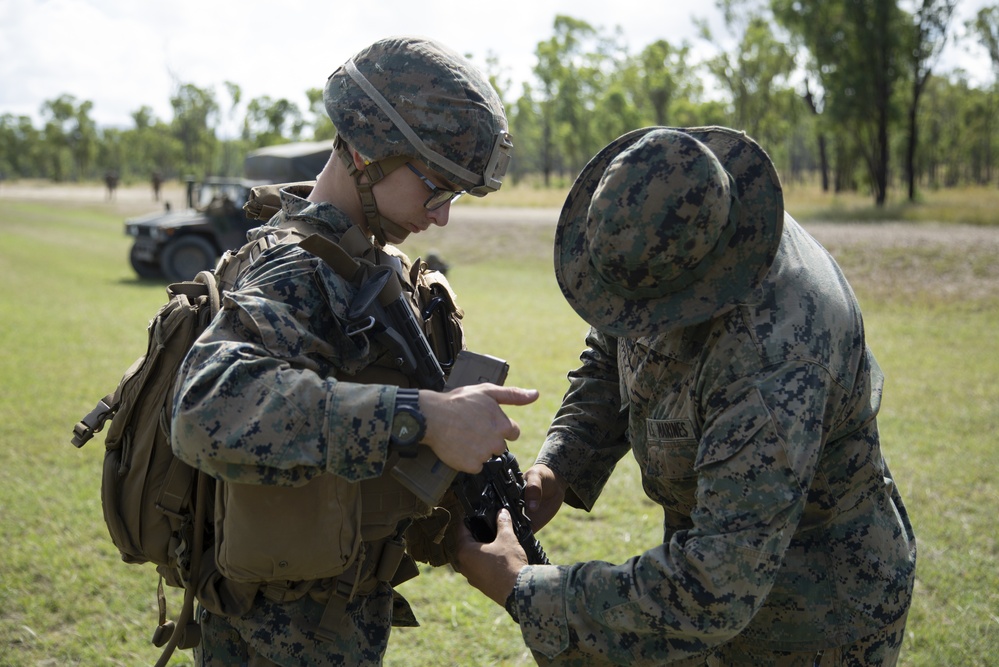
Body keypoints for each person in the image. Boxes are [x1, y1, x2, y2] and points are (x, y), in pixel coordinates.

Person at [455, 127, 916, 666]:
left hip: (815, 622)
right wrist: (559, 467)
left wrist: (523, 587)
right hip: (714, 585)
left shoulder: (773, 356)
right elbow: (612, 354)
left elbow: (716, 585)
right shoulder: (679, 234)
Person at [171, 36, 537, 666]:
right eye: (435, 188)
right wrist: (424, 416)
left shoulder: (367, 264)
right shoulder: (297, 268)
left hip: (332, 621)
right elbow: (204, 408)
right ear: (368, 154)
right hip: (272, 640)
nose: (442, 216)